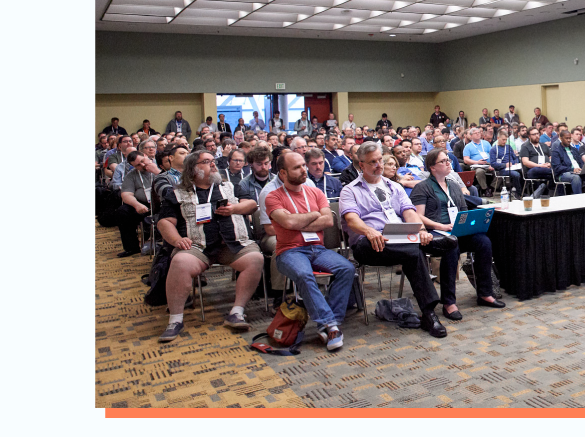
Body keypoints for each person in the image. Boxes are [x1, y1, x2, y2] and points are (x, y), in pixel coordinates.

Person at [155, 150, 265, 343]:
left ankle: (237, 312)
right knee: (180, 261)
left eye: (213, 161)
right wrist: (176, 240)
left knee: (255, 258)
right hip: (197, 246)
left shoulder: (230, 187)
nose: (213, 164)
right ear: (193, 170)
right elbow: (165, 222)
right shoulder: (177, 193)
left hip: (231, 245)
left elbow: (251, 205)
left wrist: (235, 208)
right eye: (206, 162)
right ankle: (175, 319)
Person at [339, 143, 448, 338]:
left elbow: (409, 212)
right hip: (369, 243)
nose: (379, 165)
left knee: (414, 252)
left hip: (399, 237)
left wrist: (421, 230)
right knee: (417, 252)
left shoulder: (394, 186)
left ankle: (429, 312)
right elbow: (351, 220)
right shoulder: (350, 190)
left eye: (380, 160)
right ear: (361, 165)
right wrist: (369, 231)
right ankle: (429, 313)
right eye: (373, 162)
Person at [266, 151, 355, 352]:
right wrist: (314, 215)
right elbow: (287, 221)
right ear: (282, 173)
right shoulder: (273, 197)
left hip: (317, 248)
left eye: (302, 165)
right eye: (296, 167)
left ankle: (330, 322)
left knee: (346, 269)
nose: (303, 170)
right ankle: (330, 326)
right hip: (289, 252)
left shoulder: (315, 193)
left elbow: (328, 220)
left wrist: (299, 220)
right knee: (305, 275)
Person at [409, 148, 506, 320]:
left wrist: (468, 224)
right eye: (443, 161)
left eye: (448, 160)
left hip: (455, 230)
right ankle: (448, 302)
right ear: (432, 167)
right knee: (451, 244)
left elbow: (462, 211)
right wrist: (443, 226)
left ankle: (485, 293)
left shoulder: (453, 185)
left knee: (483, 241)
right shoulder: (422, 187)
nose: (449, 163)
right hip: (434, 234)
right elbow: (418, 216)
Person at [113, 153, 158, 257]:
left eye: (143, 161)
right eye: (138, 165)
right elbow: (126, 194)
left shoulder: (159, 166)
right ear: (133, 166)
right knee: (123, 211)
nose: (142, 165)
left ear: (146, 156)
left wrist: (156, 172)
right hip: (143, 204)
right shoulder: (132, 175)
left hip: (162, 203)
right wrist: (136, 204)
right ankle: (131, 247)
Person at [461, 126, 496, 195]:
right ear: (471, 136)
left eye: (479, 132)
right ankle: (485, 189)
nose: (477, 134)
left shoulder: (486, 143)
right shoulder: (468, 146)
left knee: (501, 170)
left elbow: (492, 155)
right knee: (480, 172)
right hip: (477, 165)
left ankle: (492, 188)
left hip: (488, 163)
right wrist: (477, 162)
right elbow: (466, 160)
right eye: (475, 133)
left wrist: (493, 164)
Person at [518, 126, 553, 191]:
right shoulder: (525, 146)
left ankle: (549, 189)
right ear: (529, 136)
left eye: (537, 134)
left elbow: (551, 158)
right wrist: (540, 165)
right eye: (534, 134)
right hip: (532, 170)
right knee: (552, 171)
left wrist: (550, 164)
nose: (537, 136)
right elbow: (525, 162)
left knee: (555, 170)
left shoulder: (544, 146)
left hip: (546, 168)